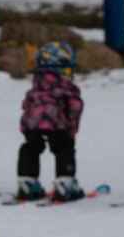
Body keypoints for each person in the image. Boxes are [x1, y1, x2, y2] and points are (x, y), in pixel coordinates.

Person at [16, 42, 86, 203]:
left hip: (32, 125)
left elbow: (26, 104)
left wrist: (26, 126)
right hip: (57, 124)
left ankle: (27, 182)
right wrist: (72, 126)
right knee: (64, 148)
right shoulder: (66, 85)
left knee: (30, 148)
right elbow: (76, 105)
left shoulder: (36, 84)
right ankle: (64, 183)